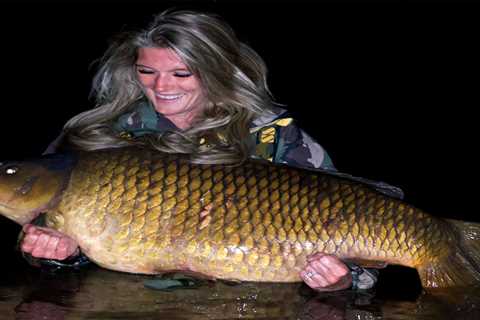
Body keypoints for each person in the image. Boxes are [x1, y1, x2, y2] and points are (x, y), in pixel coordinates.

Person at [19, 9, 380, 291]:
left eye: (181, 74)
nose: (161, 87)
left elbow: (356, 243)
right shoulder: (97, 136)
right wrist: (58, 255)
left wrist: (342, 280)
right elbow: (41, 238)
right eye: (147, 71)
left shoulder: (276, 137)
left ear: (215, 71)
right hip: (127, 302)